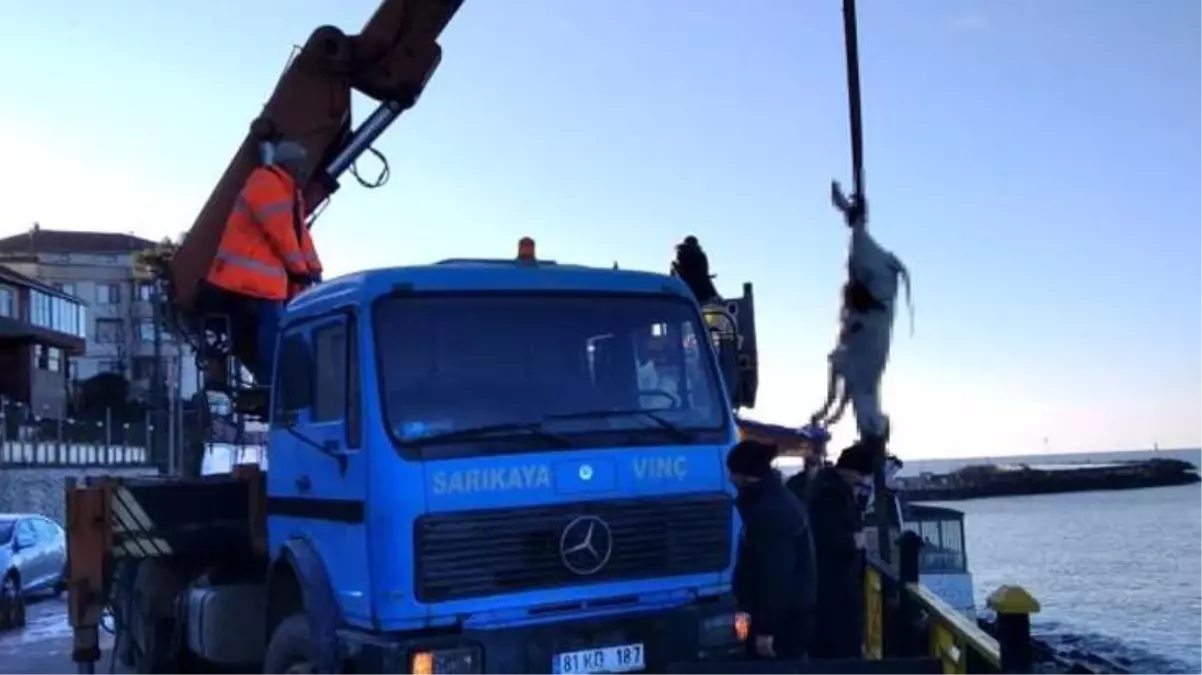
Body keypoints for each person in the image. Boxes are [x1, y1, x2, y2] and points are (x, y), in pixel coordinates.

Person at [200, 140, 322, 382]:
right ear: (292, 166)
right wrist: (300, 271)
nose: (305, 171)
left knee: (277, 332)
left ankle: (276, 381)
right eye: (302, 166)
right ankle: (272, 383)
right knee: (273, 336)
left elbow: (300, 236)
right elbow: (281, 233)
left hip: (262, 282)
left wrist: (314, 268)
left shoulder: (288, 191)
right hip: (245, 282)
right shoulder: (267, 185)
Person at [727, 439, 817, 661]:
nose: (729, 478)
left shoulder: (770, 513)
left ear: (744, 474)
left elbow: (776, 577)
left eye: (732, 472)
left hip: (776, 622)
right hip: (755, 612)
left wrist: (766, 631)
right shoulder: (774, 502)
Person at [805, 440, 876, 659]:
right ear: (852, 471)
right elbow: (832, 538)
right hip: (835, 587)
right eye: (862, 475)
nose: (863, 481)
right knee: (841, 648)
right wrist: (859, 541)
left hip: (831, 584)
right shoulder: (831, 495)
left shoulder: (827, 487)